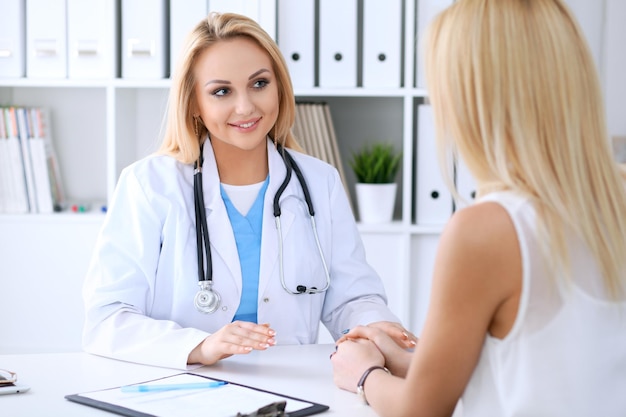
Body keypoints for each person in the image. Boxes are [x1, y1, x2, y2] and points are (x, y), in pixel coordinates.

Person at [330, 0, 626, 416]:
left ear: (474, 100)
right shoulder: (614, 198)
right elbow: (554, 365)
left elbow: (423, 410)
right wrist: (406, 359)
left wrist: (364, 375)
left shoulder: (489, 229)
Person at [82, 12, 415, 370]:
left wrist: (376, 323)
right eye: (221, 91)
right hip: (185, 387)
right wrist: (199, 346)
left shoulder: (321, 183)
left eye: (259, 84)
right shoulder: (149, 186)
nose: (246, 107)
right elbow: (107, 320)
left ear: (280, 86)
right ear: (195, 103)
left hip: (293, 385)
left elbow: (352, 298)